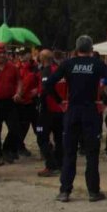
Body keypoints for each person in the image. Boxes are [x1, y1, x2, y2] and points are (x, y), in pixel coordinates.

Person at [45, 35, 107, 203]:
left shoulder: (68, 64)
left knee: (69, 153)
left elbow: (49, 83)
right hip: (91, 111)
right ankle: (93, 192)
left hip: (72, 111)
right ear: (91, 49)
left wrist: (60, 102)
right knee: (92, 154)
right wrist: (105, 102)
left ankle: (65, 191)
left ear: (76, 49)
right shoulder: (97, 64)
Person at [36, 49, 65, 177]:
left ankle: (51, 165)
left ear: (42, 59)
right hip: (61, 110)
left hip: (48, 110)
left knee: (42, 137)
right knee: (59, 138)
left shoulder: (46, 72)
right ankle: (60, 164)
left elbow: (46, 89)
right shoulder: (59, 70)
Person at [0, 42, 20, 164]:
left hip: (10, 102)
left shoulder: (13, 68)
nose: (1, 55)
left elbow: (19, 81)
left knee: (15, 128)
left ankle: (7, 149)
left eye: (3, 53)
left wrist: (18, 93)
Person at [14, 48, 40, 156]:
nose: (23, 60)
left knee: (38, 126)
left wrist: (38, 90)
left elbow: (42, 82)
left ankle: (44, 145)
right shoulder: (17, 68)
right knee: (22, 127)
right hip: (21, 102)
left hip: (32, 102)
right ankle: (19, 146)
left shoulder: (36, 69)